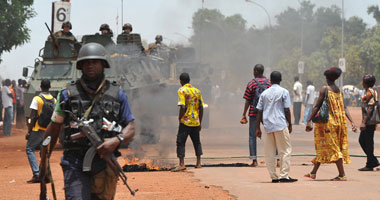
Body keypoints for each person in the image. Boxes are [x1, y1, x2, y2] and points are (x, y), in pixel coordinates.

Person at [40, 43, 135, 199]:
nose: (90, 66)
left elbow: (131, 127)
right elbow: (54, 127)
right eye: (86, 62)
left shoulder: (118, 94)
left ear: (103, 64)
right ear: (80, 66)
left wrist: (116, 140)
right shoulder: (67, 94)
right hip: (75, 161)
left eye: (95, 62)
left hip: (105, 162)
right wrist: (44, 160)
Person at [305, 67, 357, 181]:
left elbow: (317, 106)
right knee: (323, 145)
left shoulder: (325, 89)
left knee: (333, 148)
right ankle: (313, 172)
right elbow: (345, 108)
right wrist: (352, 122)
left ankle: (342, 174)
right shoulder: (338, 90)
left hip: (328, 124)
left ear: (327, 77)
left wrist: (309, 120)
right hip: (339, 122)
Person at [256, 71, 297, 183]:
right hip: (280, 124)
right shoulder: (284, 91)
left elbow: (259, 111)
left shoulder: (264, 93)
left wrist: (257, 128)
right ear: (280, 80)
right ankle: (284, 175)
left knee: (269, 152)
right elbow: (287, 109)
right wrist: (290, 123)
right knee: (285, 150)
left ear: (270, 80)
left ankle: (273, 177)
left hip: (268, 125)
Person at [240, 64, 271, 167]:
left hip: (254, 112)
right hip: (267, 112)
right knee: (272, 134)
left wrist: (244, 114)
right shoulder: (269, 83)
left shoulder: (251, 83)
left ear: (256, 71)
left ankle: (254, 160)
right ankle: (277, 159)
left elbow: (248, 100)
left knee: (252, 136)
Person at [172, 72, 204, 172]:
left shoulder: (182, 90)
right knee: (197, 142)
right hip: (195, 121)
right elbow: (201, 107)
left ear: (181, 81)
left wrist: (180, 117)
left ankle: (182, 164)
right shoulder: (197, 91)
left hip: (185, 121)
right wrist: (200, 121)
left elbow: (182, 106)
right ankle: (198, 163)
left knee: (180, 141)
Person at [26, 79, 56, 183]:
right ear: (50, 87)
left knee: (29, 149)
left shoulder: (37, 99)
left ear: (40, 86)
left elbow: (33, 116)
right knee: (43, 152)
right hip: (48, 130)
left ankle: (36, 173)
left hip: (38, 128)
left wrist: (29, 131)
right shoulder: (54, 100)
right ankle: (45, 174)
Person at [358, 74, 380, 171]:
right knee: (363, 140)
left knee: (367, 141)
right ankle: (372, 160)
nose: (362, 83)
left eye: (363, 81)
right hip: (369, 120)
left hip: (369, 121)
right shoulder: (369, 91)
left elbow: (370, 107)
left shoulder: (370, 92)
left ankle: (370, 163)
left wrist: (364, 122)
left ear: (366, 83)